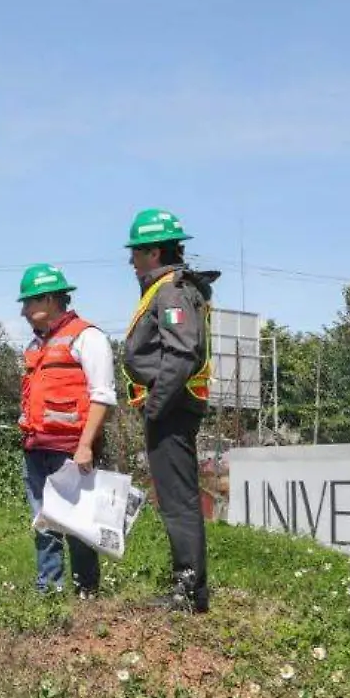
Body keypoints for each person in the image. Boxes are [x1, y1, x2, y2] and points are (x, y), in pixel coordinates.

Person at [121, 209, 218, 614]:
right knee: (176, 497)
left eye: (136, 253)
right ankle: (187, 586)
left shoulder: (172, 292)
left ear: (155, 252)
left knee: (177, 501)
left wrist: (156, 407)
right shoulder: (167, 289)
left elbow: (181, 353)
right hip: (171, 407)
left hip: (172, 409)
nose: (131, 261)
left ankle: (189, 592)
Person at [16, 264, 119, 598]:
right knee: (44, 523)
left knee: (78, 523)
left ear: (48, 299)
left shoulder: (87, 336)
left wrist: (86, 445)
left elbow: (102, 395)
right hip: (36, 448)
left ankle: (86, 590)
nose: (23, 311)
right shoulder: (34, 346)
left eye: (28, 303)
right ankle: (50, 590)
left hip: (71, 450)